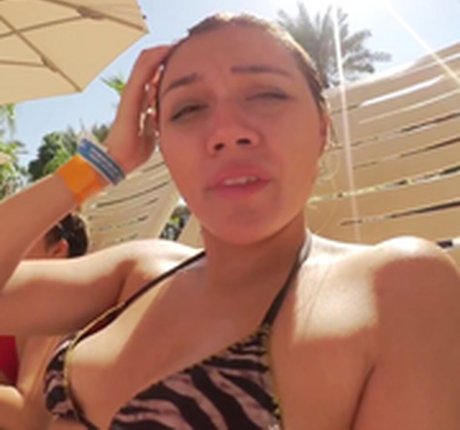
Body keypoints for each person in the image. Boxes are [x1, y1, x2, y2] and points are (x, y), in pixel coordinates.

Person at [0, 13, 459, 430]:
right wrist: (99, 166)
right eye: (188, 109)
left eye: (266, 94)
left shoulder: (394, 288)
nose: (227, 131)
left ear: (322, 127)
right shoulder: (139, 270)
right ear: (163, 146)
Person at [0, 214, 88, 430]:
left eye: (18, 237)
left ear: (57, 252)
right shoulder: (14, 302)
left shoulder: (58, 309)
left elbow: (29, 418)